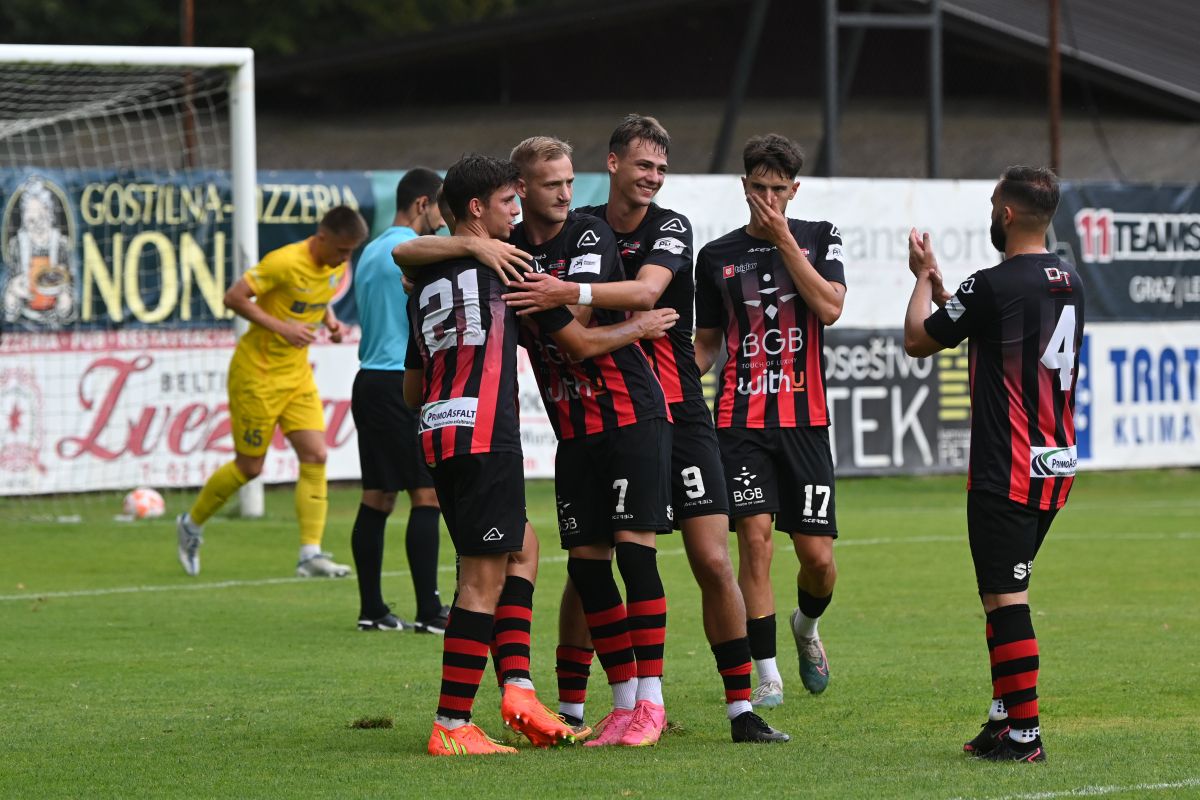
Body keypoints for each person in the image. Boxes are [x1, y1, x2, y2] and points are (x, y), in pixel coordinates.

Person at [501, 115, 787, 743]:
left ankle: (742, 705)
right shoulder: (582, 227)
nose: (654, 178)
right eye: (643, 166)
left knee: (710, 557)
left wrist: (564, 290)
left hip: (674, 410)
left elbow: (646, 291)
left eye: (661, 168)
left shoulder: (669, 226)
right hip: (599, 413)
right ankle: (578, 705)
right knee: (587, 563)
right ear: (613, 164)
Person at [404, 154, 678, 756]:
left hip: (437, 432)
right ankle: (452, 724)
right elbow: (575, 337)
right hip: (486, 435)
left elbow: (410, 386)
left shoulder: (423, 281)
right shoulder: (511, 271)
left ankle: (521, 688)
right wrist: (641, 327)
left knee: (522, 546)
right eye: (509, 201)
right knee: (481, 582)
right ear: (477, 208)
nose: (517, 210)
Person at [903, 166, 1084, 763]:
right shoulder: (1070, 280)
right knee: (999, 593)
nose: (989, 212)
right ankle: (1003, 719)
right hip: (1055, 463)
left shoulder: (993, 283)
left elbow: (918, 339)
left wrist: (920, 280)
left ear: (1006, 214)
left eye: (991, 204)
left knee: (1007, 599)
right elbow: (986, 319)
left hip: (1006, 466)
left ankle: (1025, 736)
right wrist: (942, 286)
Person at [693, 134, 847, 707]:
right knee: (754, 543)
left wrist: (783, 239)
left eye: (778, 189)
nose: (767, 198)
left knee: (818, 561)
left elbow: (830, 307)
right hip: (740, 421)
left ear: (794, 190)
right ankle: (767, 675)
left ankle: (806, 627)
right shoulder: (716, 256)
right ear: (743, 186)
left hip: (805, 421)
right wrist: (669, 378)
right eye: (758, 187)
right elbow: (707, 343)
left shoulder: (819, 236)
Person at [175, 206, 367, 578]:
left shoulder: (334, 266)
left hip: (296, 375)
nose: (346, 259)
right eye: (342, 250)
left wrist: (330, 322)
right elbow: (233, 298)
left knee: (316, 454)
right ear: (322, 237)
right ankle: (191, 524)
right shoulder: (284, 262)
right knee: (250, 467)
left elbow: (314, 298)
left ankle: (310, 555)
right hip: (257, 376)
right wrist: (283, 328)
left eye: (351, 252)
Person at [350, 167, 451, 633]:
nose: (442, 222)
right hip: (399, 381)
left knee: (377, 495)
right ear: (421, 204)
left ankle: (372, 609)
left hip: (369, 381)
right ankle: (430, 612)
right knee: (425, 494)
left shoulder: (369, 251)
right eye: (439, 210)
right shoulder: (411, 251)